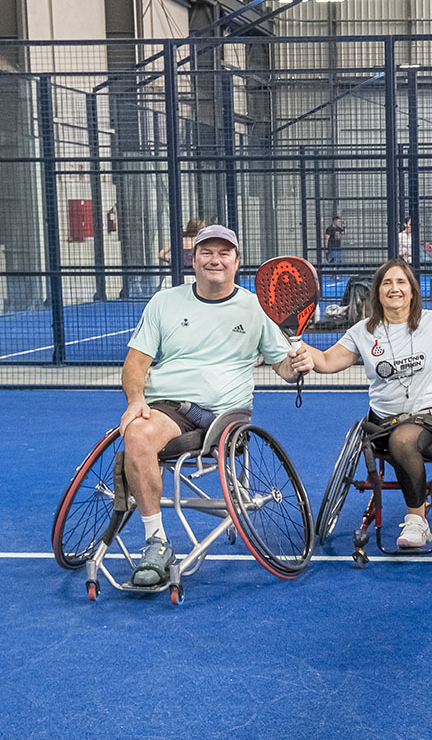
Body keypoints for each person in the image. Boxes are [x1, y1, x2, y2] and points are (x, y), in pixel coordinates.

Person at [120, 225, 310, 587]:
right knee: (138, 435)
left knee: (143, 435)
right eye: (206, 252)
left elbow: (283, 367)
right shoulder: (164, 302)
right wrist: (136, 400)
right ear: (193, 260)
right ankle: (156, 542)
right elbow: (136, 363)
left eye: (224, 253)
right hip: (169, 407)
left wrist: (297, 365)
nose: (215, 260)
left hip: (225, 415)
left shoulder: (256, 307)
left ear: (237, 262)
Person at [297, 256, 432, 548]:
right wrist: (293, 342)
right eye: (387, 283)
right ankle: (418, 513)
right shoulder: (363, 332)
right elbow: (327, 361)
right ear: (377, 292)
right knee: (398, 436)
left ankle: (417, 521)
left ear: (412, 290)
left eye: (401, 282)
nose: (394, 288)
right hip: (385, 421)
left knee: (404, 440)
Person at [158, 217, 206, 285]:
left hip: (174, 276)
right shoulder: (198, 241)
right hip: (192, 276)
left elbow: (161, 254)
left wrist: (169, 260)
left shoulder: (179, 240)